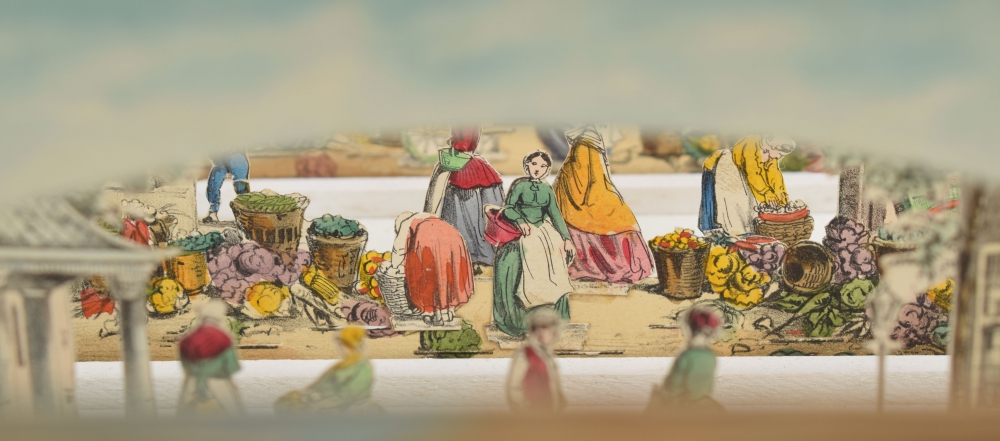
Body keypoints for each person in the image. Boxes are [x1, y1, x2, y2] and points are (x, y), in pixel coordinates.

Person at [552, 125, 653, 284]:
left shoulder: (585, 147)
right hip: (579, 203)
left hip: (589, 200)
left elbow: (589, 178)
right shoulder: (585, 148)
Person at [493, 151, 576, 336]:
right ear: (527, 165)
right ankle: (528, 302)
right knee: (529, 250)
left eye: (543, 166)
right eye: (534, 164)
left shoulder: (547, 189)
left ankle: (551, 300)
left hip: (543, 227)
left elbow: (555, 214)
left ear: (547, 169)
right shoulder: (520, 185)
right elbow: (508, 208)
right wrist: (520, 221)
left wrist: (566, 238)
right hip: (522, 227)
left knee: (557, 250)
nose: (538, 169)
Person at [424, 126, 505, 268]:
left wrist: (455, 144)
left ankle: (468, 254)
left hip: (462, 161)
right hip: (463, 159)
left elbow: (463, 144)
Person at [699, 135, 796, 236]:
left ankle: (743, 231)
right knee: (731, 202)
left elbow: (774, 175)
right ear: (775, 146)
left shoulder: (771, 154)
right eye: (780, 154)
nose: (779, 157)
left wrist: (781, 194)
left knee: (748, 202)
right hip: (725, 166)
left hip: (740, 171)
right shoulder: (751, 143)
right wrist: (767, 194)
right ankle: (718, 230)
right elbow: (753, 173)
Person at [390, 211, 474, 326]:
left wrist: (394, 266)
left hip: (429, 238)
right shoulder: (431, 217)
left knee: (429, 275)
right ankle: (447, 312)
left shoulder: (406, 223)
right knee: (447, 273)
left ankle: (430, 312)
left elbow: (398, 249)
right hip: (453, 237)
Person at [274, 326, 382, 415]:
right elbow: (319, 385)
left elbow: (348, 395)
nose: (339, 348)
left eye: (342, 344)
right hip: (328, 405)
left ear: (351, 345)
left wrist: (319, 404)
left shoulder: (362, 367)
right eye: (339, 344)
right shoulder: (341, 366)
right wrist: (303, 394)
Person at [176, 300, 246, 416]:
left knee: (184, 415)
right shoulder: (224, 338)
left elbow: (185, 364)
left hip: (194, 379)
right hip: (219, 380)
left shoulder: (188, 339)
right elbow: (232, 367)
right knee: (234, 412)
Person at [648, 306, 724, 412]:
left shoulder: (687, 356)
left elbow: (674, 386)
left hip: (683, 406)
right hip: (704, 404)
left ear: (690, 328)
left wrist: (659, 397)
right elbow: (708, 386)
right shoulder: (711, 356)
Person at [506, 308, 566, 413]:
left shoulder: (546, 354)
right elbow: (514, 388)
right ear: (539, 331)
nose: (554, 335)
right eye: (551, 331)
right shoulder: (525, 354)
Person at [203, 151, 250, 223]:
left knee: (240, 185)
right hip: (220, 156)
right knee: (213, 183)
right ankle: (213, 212)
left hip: (236, 154)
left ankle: (245, 214)